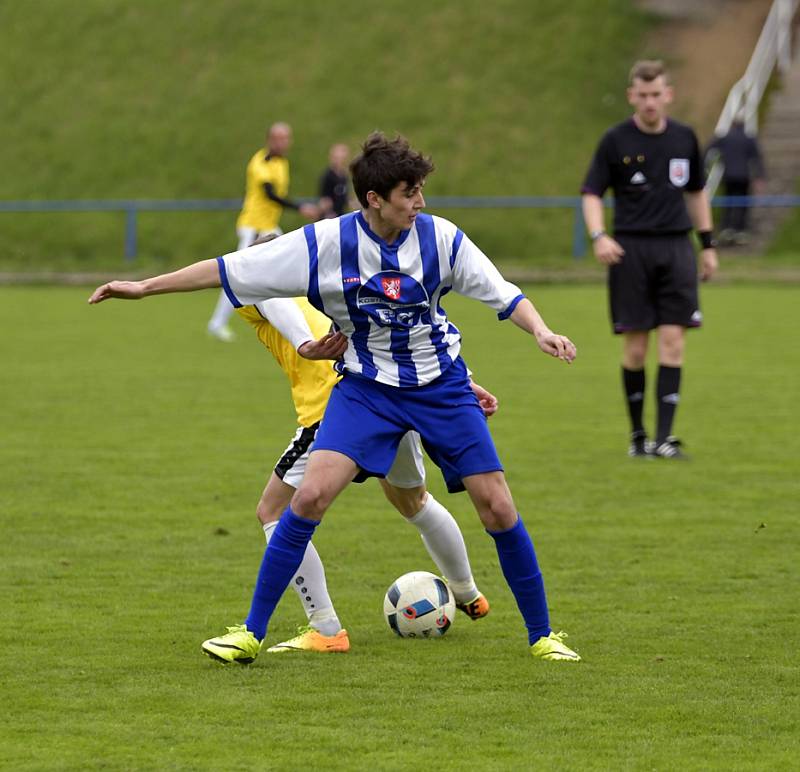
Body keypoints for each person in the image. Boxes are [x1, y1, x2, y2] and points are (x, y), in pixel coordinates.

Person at [89, 131, 582, 663]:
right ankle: (251, 634)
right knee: (308, 498)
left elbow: (503, 293)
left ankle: (543, 637)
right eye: (408, 193)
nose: (420, 202)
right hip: (366, 392)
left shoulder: (441, 239)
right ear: (374, 199)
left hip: (441, 387)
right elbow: (229, 269)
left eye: (420, 191)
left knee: (497, 507)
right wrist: (143, 287)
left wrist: (540, 330)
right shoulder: (324, 244)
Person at [231, 260, 492, 654]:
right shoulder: (326, 290)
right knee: (413, 501)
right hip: (389, 392)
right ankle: (468, 592)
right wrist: (463, 380)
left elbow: (275, 302)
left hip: (337, 408)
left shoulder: (259, 286)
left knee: (272, 510)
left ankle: (325, 628)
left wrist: (304, 344)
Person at [581, 60, 719, 460]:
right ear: (632, 97)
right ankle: (638, 436)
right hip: (631, 250)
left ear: (668, 95)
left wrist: (707, 244)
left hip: (677, 248)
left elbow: (696, 192)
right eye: (642, 96)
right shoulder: (615, 140)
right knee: (637, 349)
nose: (650, 102)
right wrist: (599, 235)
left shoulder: (684, 138)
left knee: (674, 341)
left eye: (656, 94)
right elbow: (591, 192)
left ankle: (665, 438)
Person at [206, 122, 318, 342]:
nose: (283, 142)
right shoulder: (260, 162)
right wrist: (301, 208)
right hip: (254, 227)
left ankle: (297, 317)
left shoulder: (282, 162)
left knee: (290, 263)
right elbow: (270, 194)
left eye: (286, 138)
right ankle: (217, 322)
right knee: (235, 273)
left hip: (268, 226)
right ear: (269, 139)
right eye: (279, 138)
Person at [705, 120, 766, 246]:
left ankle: (727, 228)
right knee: (743, 203)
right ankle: (741, 229)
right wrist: (759, 177)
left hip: (728, 176)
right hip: (744, 176)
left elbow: (709, 148)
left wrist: (704, 166)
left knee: (728, 202)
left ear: (732, 125)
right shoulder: (748, 139)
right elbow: (757, 158)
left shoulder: (725, 138)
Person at [317, 143, 353, 218]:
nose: (339, 161)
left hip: (341, 215)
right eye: (336, 158)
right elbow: (324, 199)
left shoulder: (344, 176)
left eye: (342, 158)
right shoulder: (328, 176)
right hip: (330, 216)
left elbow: (343, 195)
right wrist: (328, 211)